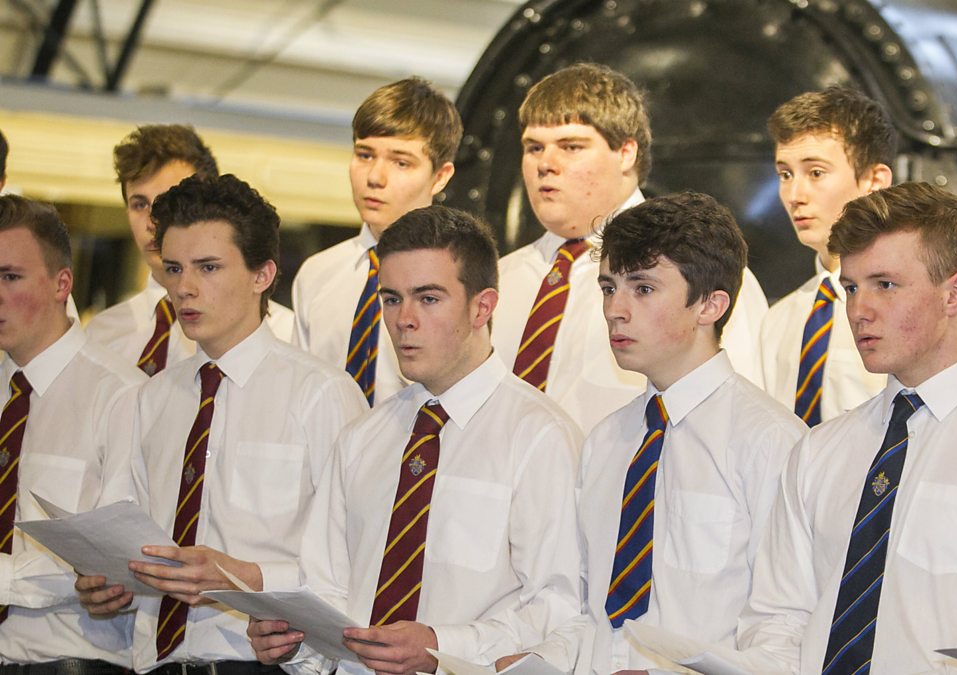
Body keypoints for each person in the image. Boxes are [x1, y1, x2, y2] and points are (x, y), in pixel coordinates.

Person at [739, 182, 957, 673]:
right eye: (851, 287)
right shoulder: (818, 451)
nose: (859, 310)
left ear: (956, 293)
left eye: (885, 285)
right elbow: (779, 620)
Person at [246, 206, 583, 675]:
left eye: (428, 298)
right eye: (391, 299)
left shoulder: (541, 437)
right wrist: (293, 643)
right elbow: (328, 591)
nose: (404, 319)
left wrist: (442, 646)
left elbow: (560, 607)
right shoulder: (362, 437)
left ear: (482, 307)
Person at [74, 174, 367, 673]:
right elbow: (127, 533)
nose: (184, 288)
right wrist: (108, 583)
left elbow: (356, 560)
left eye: (208, 267)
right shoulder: (151, 398)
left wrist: (246, 575)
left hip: (262, 663)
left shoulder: (321, 394)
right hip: (154, 662)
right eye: (173, 268)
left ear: (262, 275)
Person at [518, 191, 803, 673]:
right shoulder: (608, 439)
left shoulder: (772, 443)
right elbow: (590, 609)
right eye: (608, 288)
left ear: (710, 305)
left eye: (643, 288)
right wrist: (540, 659)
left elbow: (785, 631)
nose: (615, 309)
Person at [492, 62, 769, 432]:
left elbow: (741, 418)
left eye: (571, 146)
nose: (546, 164)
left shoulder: (699, 268)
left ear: (626, 153)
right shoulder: (498, 280)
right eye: (534, 147)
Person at [0, 195, 145, 672]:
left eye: (10, 277)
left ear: (62, 283)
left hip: (70, 662)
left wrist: (8, 578)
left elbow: (118, 562)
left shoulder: (121, 395)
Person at [290, 78, 461, 406]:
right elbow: (299, 397)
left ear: (440, 176)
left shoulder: (461, 278)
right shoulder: (317, 275)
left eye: (401, 162)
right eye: (365, 155)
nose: (374, 178)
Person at [87, 124, 293, 375]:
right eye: (139, 205)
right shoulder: (101, 335)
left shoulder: (285, 333)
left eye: (170, 201)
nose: (152, 222)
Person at [760, 86, 892, 425]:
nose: (794, 195)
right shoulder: (778, 321)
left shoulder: (906, 309)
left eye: (816, 173)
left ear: (874, 180)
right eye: (785, 174)